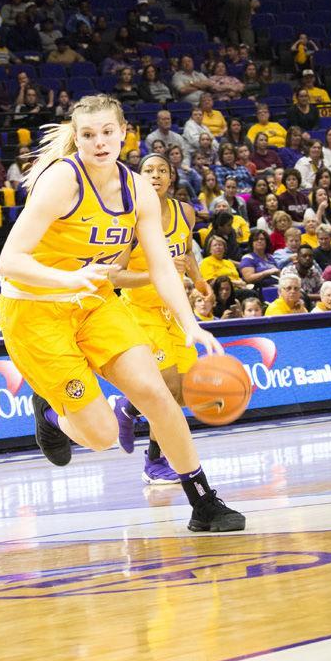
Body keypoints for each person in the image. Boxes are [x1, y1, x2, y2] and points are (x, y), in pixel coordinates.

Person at [0, 93, 245, 533]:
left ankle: (203, 501)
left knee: (156, 394)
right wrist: (69, 280)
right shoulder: (62, 181)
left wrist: (191, 324)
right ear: (78, 138)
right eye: (88, 134)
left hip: (94, 305)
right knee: (104, 436)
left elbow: (162, 266)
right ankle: (51, 413)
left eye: (107, 132)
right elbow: (9, 261)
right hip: (35, 310)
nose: (99, 142)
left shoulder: (138, 189)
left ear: (124, 132)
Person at [113, 153, 212, 485]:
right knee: (167, 388)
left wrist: (199, 281)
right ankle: (155, 461)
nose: (155, 175)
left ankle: (128, 407)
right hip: (141, 311)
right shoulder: (129, 220)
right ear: (138, 177)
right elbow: (115, 276)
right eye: (147, 170)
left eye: (162, 170)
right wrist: (157, 275)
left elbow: (186, 252)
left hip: (175, 309)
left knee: (184, 393)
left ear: (172, 177)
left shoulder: (185, 212)